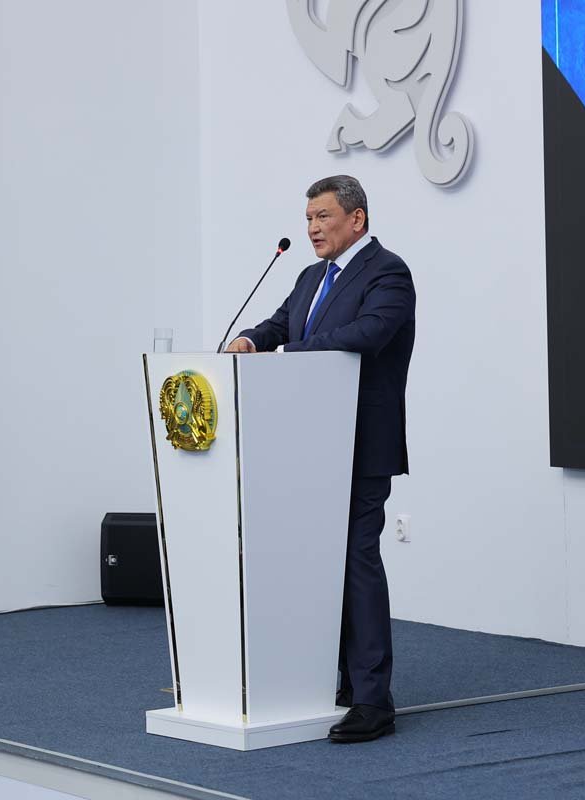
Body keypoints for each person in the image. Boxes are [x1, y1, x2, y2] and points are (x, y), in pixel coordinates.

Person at [225, 175, 415, 743]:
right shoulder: (311, 276)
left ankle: (373, 700)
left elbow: (368, 334)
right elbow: (280, 324)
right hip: (304, 448)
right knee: (318, 564)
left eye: (322, 217)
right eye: (308, 218)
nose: (311, 228)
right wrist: (251, 341)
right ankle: (340, 684)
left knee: (356, 559)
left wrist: (287, 352)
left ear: (357, 219)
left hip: (361, 443)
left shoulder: (387, 272)